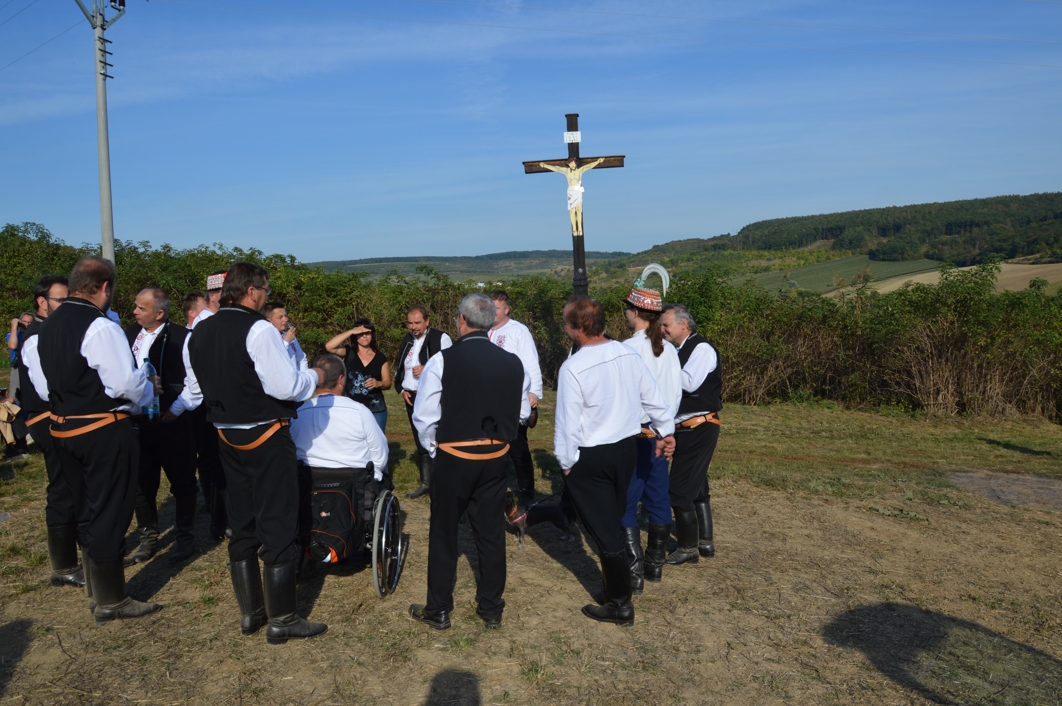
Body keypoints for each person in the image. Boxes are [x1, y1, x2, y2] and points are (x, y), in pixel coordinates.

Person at [189, 262, 327, 644]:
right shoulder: (260, 329)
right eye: (265, 289)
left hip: (225, 435)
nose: (267, 296)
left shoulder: (201, 329)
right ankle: (283, 618)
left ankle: (251, 612)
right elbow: (286, 387)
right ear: (251, 291)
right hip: (265, 435)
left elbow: (198, 386)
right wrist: (315, 377)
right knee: (278, 521)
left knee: (242, 520)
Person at [35, 256, 161, 623]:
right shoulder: (101, 326)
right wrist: (148, 388)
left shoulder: (50, 324)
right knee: (110, 510)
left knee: (86, 508)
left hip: (63, 428)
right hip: (101, 429)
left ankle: (96, 588)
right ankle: (111, 600)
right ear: (105, 287)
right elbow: (123, 384)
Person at [409, 293, 530, 630]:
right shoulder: (513, 362)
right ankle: (491, 608)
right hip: (496, 456)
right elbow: (522, 411)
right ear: (490, 322)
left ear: (461, 320)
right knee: (491, 532)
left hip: (455, 456)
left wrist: (436, 449)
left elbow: (424, 416)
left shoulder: (442, 360)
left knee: (444, 531)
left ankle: (438, 609)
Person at [554, 296, 675, 626]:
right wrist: (666, 430)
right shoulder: (626, 353)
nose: (564, 328)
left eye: (565, 323)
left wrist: (566, 462)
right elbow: (653, 397)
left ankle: (620, 603)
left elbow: (567, 422)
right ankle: (616, 591)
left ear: (578, 328)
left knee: (605, 530)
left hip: (592, 455)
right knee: (615, 520)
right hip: (625, 450)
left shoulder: (573, 367)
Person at [123, 287, 202, 565]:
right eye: (136, 306)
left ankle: (185, 537)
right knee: (141, 483)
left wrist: (175, 410)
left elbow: (195, 382)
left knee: (182, 481)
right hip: (137, 421)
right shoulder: (128, 334)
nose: (134, 311)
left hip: (173, 422)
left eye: (141, 308)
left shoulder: (183, 337)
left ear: (159, 313)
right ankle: (148, 537)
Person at [290, 354, 390, 565]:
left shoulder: (298, 413)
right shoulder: (359, 412)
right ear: (342, 379)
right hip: (355, 486)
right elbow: (380, 455)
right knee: (383, 479)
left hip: (309, 483)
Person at [620, 265, 682, 591]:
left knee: (627, 500)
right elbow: (675, 394)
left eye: (627, 309)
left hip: (637, 434)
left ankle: (634, 573)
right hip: (662, 432)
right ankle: (654, 567)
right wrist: (666, 429)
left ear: (634, 312)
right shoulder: (670, 350)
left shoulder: (627, 349)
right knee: (658, 498)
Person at [18, 275, 82, 589]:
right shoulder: (36, 336)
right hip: (47, 417)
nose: (66, 305)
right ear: (42, 302)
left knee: (73, 484)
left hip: (58, 415)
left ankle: (83, 552)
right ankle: (64, 566)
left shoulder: (53, 330)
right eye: (60, 300)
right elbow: (46, 388)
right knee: (62, 488)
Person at [660, 303, 722, 565]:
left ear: (683, 324)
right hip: (686, 427)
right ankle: (705, 542)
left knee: (678, 489)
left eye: (666, 325)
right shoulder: (680, 349)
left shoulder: (701, 348)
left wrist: (661, 368)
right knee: (696, 485)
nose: (662, 329)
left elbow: (689, 382)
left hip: (698, 426)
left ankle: (688, 548)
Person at [487, 290, 543, 505]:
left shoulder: (518, 331)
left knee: (518, 449)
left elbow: (530, 362)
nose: (492, 312)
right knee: (492, 446)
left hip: (513, 398)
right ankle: (494, 490)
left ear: (507, 309)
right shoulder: (483, 329)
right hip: (488, 400)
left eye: (496, 308)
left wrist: (533, 393)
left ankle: (528, 494)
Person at [394, 305, 452, 499]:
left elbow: (451, 366)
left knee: (438, 437)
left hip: (433, 396)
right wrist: (402, 389)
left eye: (417, 322)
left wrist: (427, 367)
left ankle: (443, 482)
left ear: (427, 321)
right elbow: (401, 367)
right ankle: (426, 483)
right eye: (410, 323)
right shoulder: (407, 340)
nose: (413, 327)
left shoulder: (441, 338)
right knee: (420, 438)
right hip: (411, 397)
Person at [190, 281, 227, 539]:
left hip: (215, 399)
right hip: (207, 400)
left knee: (217, 459)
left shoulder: (214, 322)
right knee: (213, 458)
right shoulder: (204, 324)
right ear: (214, 296)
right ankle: (216, 513)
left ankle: (218, 512)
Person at [324, 319, 391, 432]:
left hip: (376, 410)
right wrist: (351, 331)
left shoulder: (380, 357)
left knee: (376, 441)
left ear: (372, 334)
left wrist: (378, 383)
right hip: (350, 409)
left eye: (367, 333)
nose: (364, 336)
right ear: (355, 336)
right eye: (360, 333)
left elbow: (388, 382)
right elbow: (329, 346)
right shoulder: (348, 352)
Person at [263, 302, 308, 371]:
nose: (285, 320)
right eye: (280, 317)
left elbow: (301, 358)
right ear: (269, 320)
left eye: (286, 316)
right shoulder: (266, 338)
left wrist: (304, 375)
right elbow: (273, 360)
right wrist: (286, 341)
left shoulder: (289, 336)